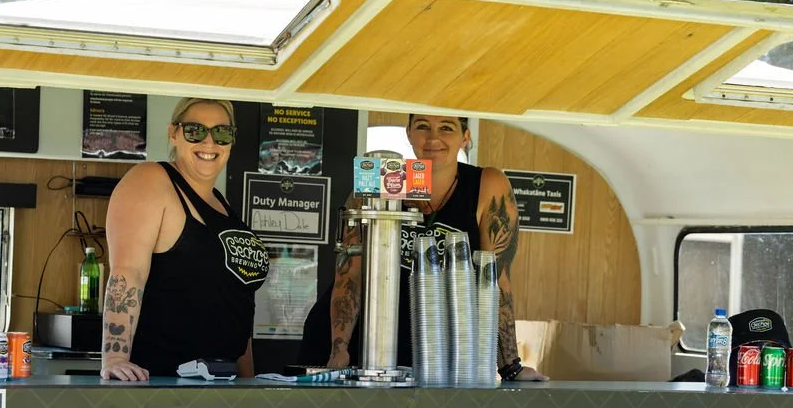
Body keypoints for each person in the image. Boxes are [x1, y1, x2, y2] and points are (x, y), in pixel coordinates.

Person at [306, 114, 545, 381]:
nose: (433, 138)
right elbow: (350, 273)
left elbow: (496, 277)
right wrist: (339, 348)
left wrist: (510, 365)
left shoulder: (487, 185)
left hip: (436, 349)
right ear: (408, 132)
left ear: (465, 137)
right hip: (360, 343)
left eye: (446, 128)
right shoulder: (384, 176)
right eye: (422, 126)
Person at [100, 98, 269, 381]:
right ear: (173, 134)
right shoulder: (151, 180)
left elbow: (238, 300)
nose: (209, 142)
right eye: (195, 130)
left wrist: (247, 380)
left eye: (222, 132)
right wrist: (115, 357)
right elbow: (128, 273)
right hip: (163, 383)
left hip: (223, 382)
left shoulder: (221, 204)